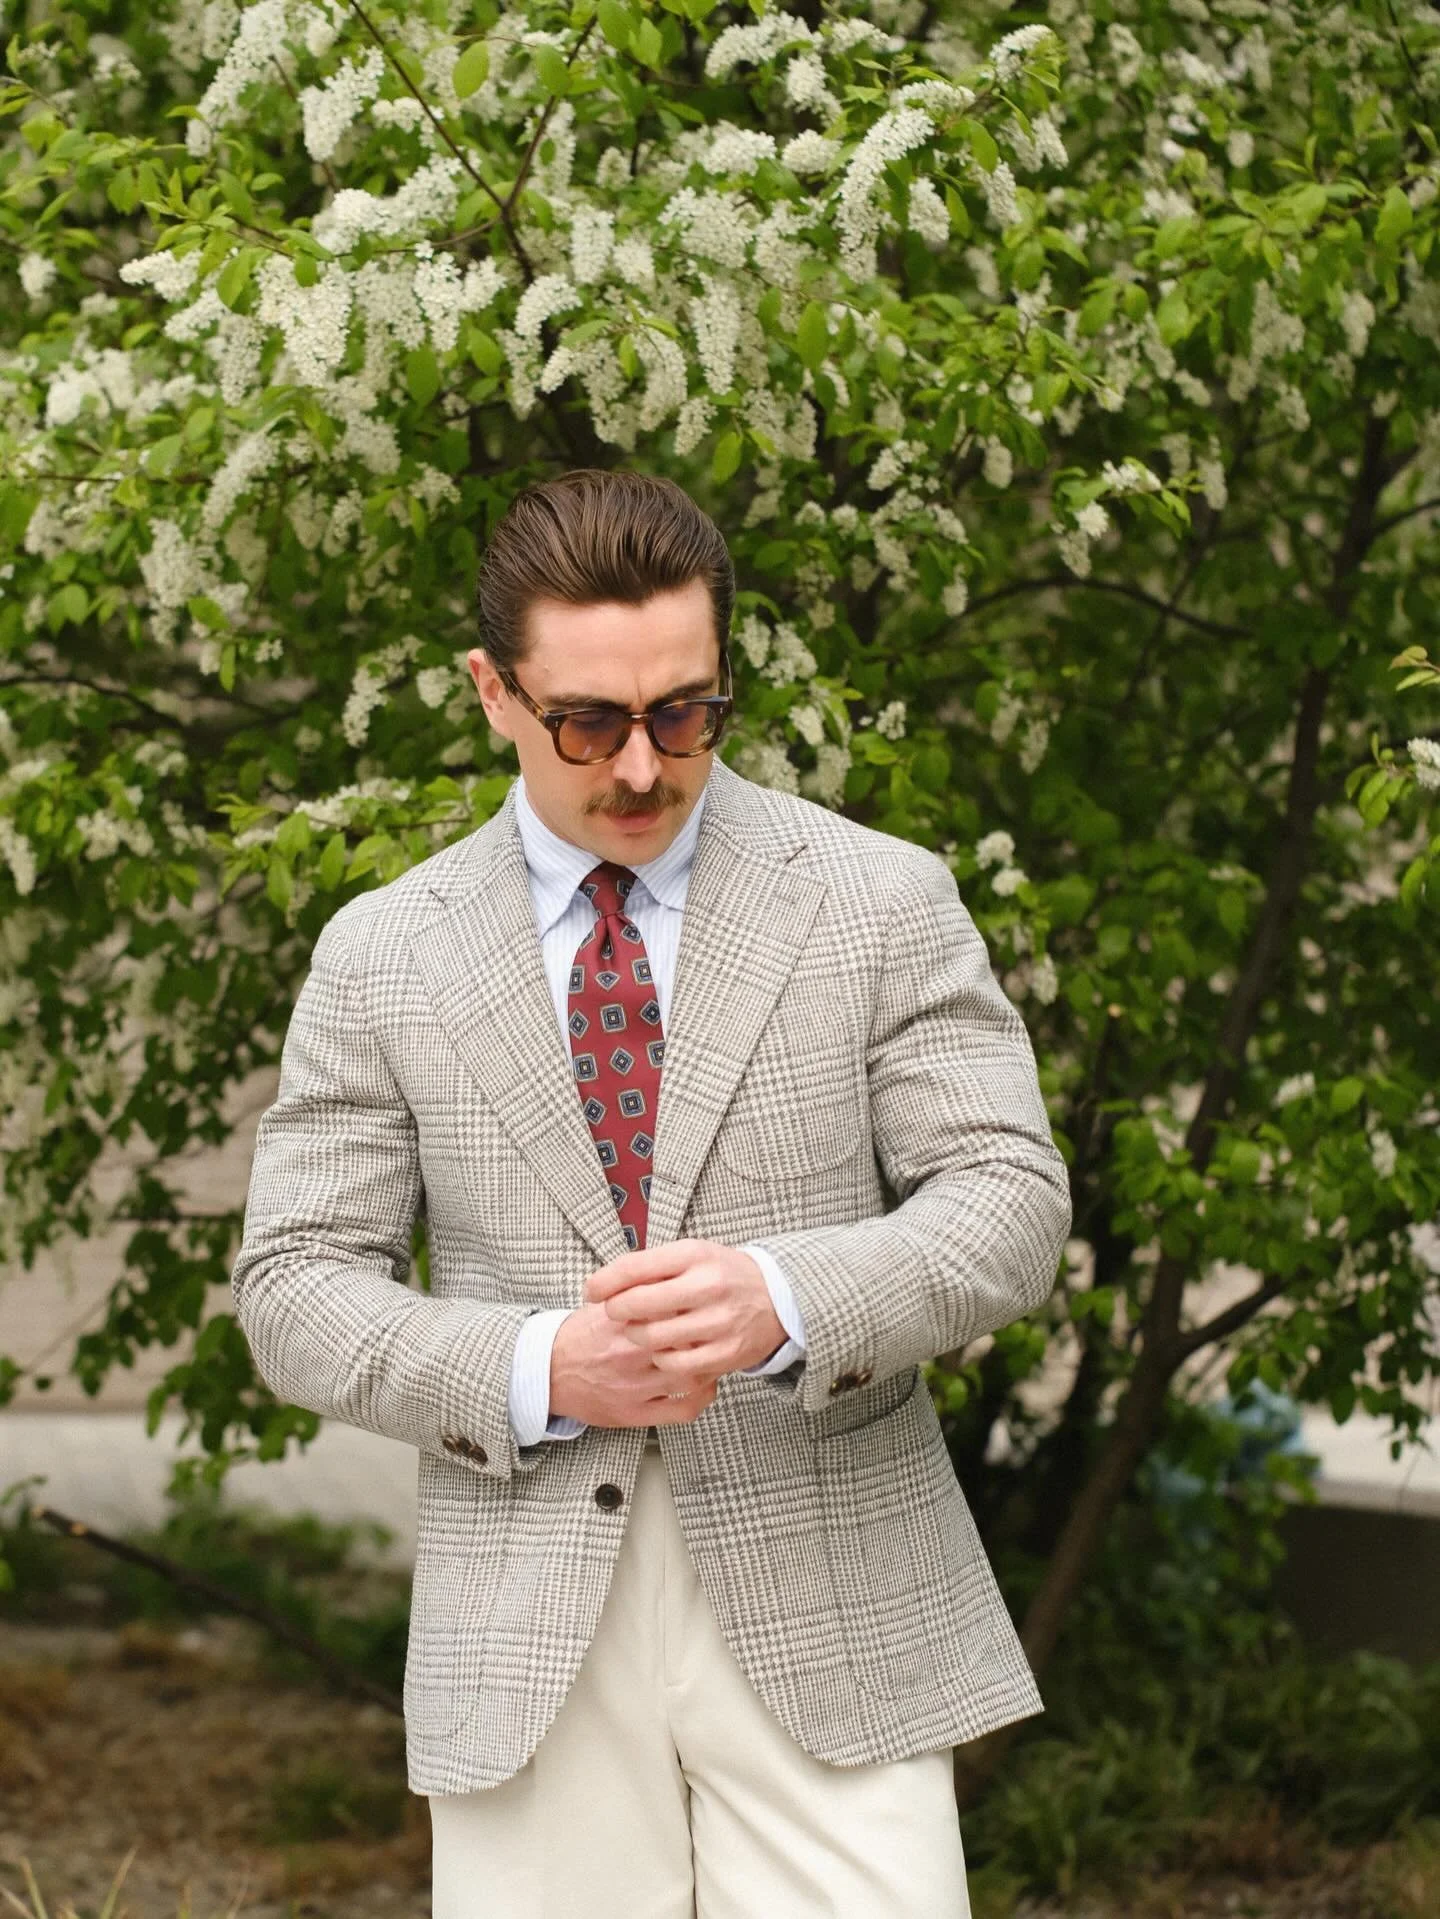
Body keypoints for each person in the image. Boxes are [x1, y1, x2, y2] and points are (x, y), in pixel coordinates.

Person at [231, 467, 1072, 1918]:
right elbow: (294, 1283)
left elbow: (1006, 1196)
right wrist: (537, 1361)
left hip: (840, 1598)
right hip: (527, 1623)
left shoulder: (878, 899)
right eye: (589, 722)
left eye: (683, 712)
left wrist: (788, 1298)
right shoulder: (382, 953)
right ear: (493, 691)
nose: (639, 767)